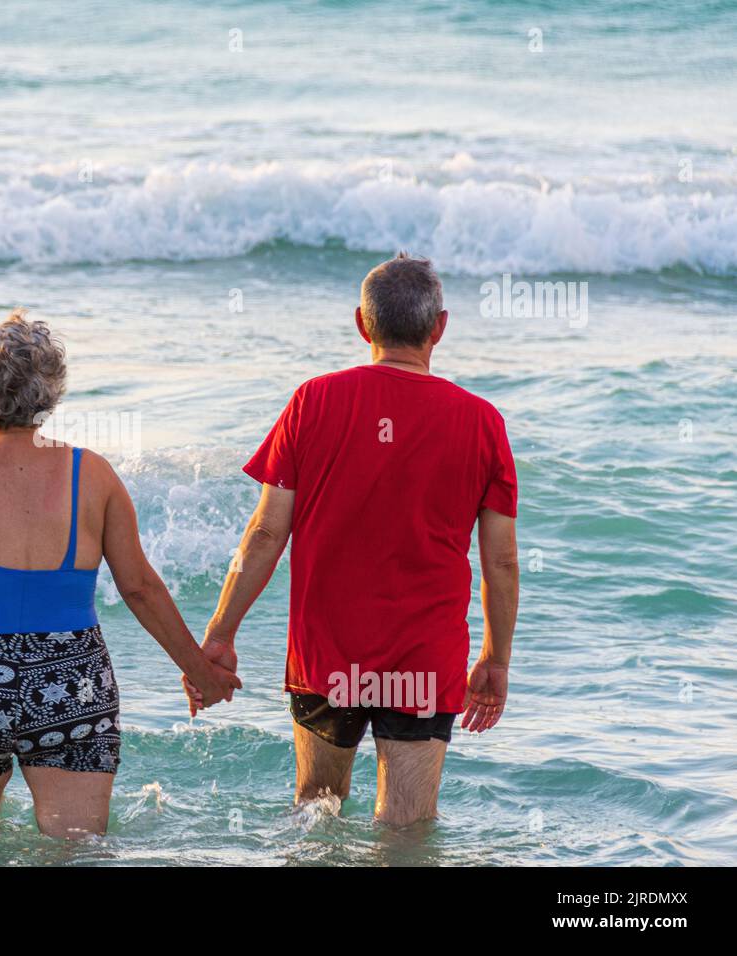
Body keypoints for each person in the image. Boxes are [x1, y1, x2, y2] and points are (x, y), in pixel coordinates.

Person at [0, 311, 240, 838]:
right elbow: (139, 587)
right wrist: (200, 671)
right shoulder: (91, 475)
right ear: (49, 389)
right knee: (74, 849)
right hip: (70, 679)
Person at [186, 253, 519, 826]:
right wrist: (495, 659)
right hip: (423, 657)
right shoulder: (481, 421)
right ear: (440, 327)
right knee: (407, 828)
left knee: (317, 812)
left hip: (328, 654)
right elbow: (502, 561)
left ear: (363, 325)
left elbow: (266, 533)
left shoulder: (313, 402)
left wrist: (218, 634)